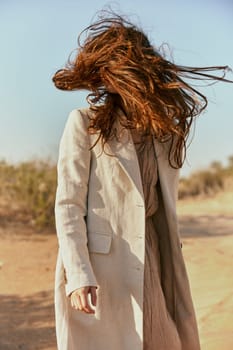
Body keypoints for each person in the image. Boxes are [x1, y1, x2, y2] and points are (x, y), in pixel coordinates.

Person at [52, 12, 232, 350]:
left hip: (153, 252)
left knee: (165, 339)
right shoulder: (84, 123)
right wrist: (78, 275)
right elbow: (68, 206)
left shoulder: (163, 132)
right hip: (104, 267)